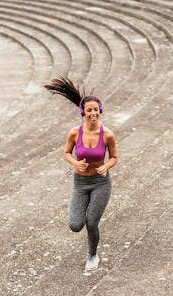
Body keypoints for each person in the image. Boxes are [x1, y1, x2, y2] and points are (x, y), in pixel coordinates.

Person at [44, 76, 118, 271]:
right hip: (80, 183)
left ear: (100, 110)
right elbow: (67, 153)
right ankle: (85, 211)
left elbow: (114, 158)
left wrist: (106, 166)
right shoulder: (74, 133)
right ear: (83, 112)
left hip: (101, 183)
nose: (93, 113)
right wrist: (75, 162)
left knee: (91, 222)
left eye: (96, 110)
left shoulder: (107, 134)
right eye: (89, 110)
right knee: (76, 225)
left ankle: (92, 255)